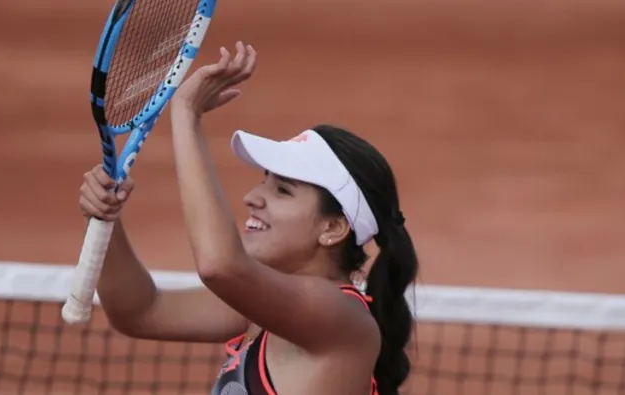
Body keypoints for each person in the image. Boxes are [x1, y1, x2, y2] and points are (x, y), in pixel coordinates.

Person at [78, 41, 419, 395]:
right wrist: (105, 221)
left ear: (332, 228)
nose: (252, 198)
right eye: (263, 182)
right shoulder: (262, 309)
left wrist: (186, 114)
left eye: (282, 191)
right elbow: (141, 312)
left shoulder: (340, 318)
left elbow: (219, 265)